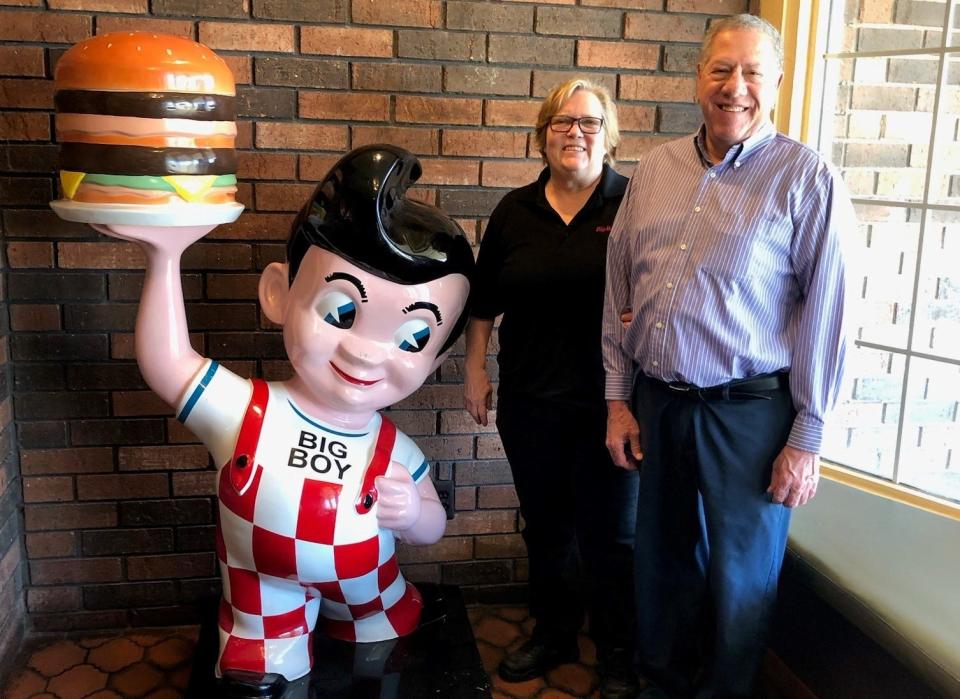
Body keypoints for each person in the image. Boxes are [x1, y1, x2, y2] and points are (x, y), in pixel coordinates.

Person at [93, 145, 474, 694]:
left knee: (384, 652)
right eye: (341, 311)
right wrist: (164, 255)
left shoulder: (396, 449)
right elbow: (169, 364)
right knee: (267, 671)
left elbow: (432, 527)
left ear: (434, 361)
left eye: (412, 338)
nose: (365, 352)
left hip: (371, 588)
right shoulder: (246, 410)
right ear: (279, 293)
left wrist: (413, 512)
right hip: (264, 591)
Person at [602, 14, 852, 698]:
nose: (734, 86)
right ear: (698, 78)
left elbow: (829, 316)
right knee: (662, 563)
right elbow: (618, 287)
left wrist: (808, 437)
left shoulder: (806, 179)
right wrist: (618, 400)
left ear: (774, 82)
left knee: (742, 577)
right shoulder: (655, 170)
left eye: (751, 72)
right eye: (720, 69)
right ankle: (662, 682)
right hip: (659, 402)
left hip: (750, 412)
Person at [464, 78, 639, 698]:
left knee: (612, 534)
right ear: (542, 136)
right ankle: (556, 632)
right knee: (546, 525)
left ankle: (619, 648)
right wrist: (476, 369)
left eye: (589, 122)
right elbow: (483, 303)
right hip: (530, 402)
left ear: (609, 136)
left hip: (611, 406)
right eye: (562, 122)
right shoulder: (515, 211)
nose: (576, 133)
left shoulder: (634, 203)